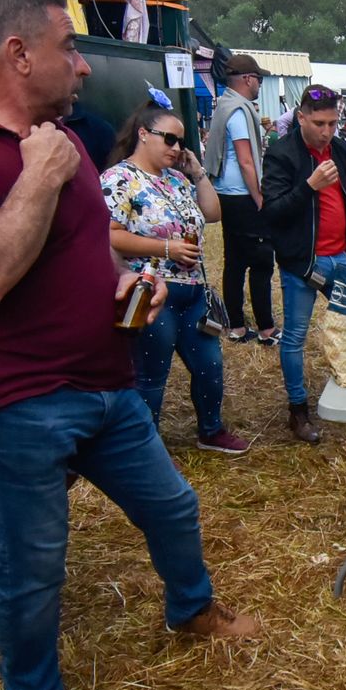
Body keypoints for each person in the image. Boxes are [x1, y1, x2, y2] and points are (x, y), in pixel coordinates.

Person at [0, 0, 260, 690]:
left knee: (175, 508)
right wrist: (41, 174)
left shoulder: (65, 140)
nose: (85, 67)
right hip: (12, 403)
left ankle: (192, 609)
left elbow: (84, 252)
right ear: (18, 54)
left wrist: (124, 285)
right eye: (69, 48)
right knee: (31, 562)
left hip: (104, 383)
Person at [104, 102, 250, 456]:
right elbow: (109, 234)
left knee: (210, 364)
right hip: (153, 291)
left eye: (181, 142)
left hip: (193, 290)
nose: (175, 148)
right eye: (169, 139)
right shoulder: (119, 179)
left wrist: (198, 173)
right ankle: (144, 445)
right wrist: (165, 247)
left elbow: (212, 214)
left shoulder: (177, 179)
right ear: (143, 134)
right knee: (152, 374)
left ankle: (211, 430)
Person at [261, 84, 346, 445]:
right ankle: (298, 410)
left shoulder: (340, 149)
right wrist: (309, 185)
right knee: (295, 338)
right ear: (301, 117)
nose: (326, 131)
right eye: (319, 123)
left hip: (343, 257)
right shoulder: (282, 154)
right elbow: (272, 212)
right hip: (304, 263)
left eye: (333, 123)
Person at [204, 53, 279, 346]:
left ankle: (235, 325)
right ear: (247, 79)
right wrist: (259, 196)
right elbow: (246, 161)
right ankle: (266, 328)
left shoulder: (224, 105)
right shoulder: (238, 110)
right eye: (258, 79)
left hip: (226, 194)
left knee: (234, 261)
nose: (260, 84)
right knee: (261, 261)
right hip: (242, 195)